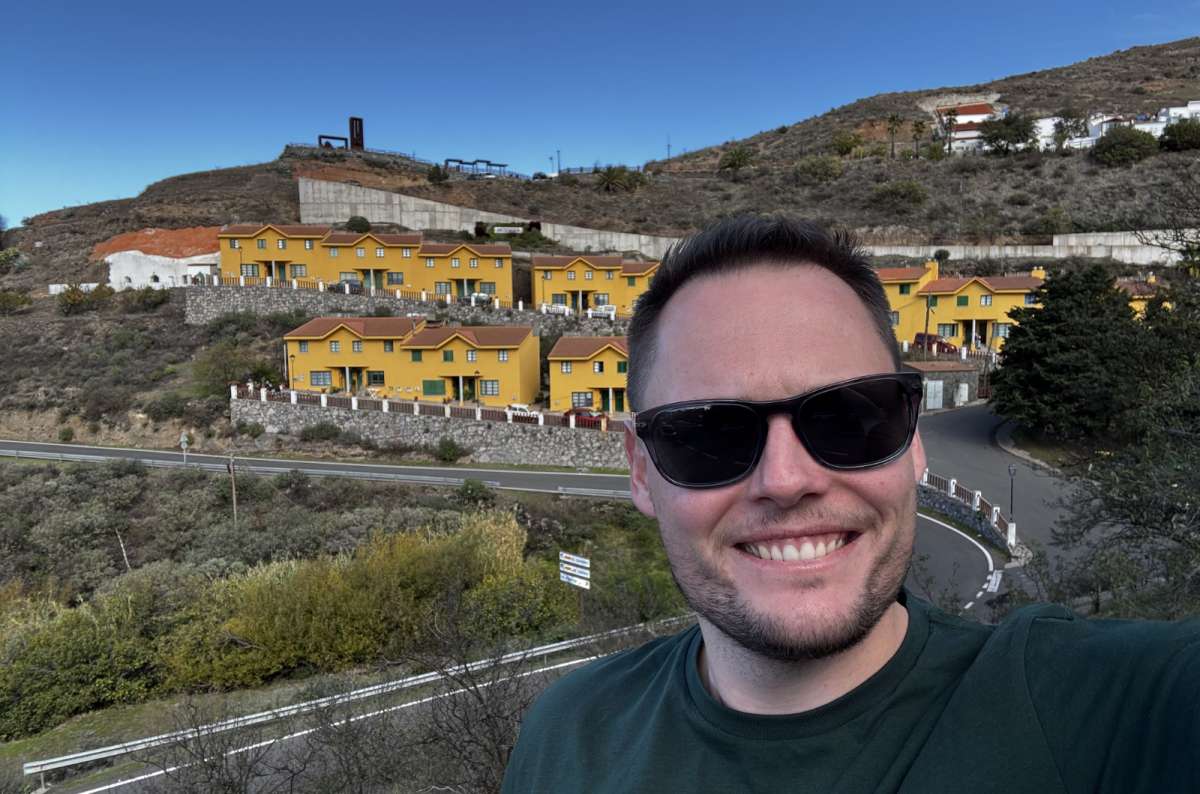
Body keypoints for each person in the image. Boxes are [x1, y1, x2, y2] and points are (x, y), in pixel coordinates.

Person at [501, 216, 1199, 793]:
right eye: (710, 435)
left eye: (848, 418)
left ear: (914, 443)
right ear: (641, 472)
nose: (786, 479)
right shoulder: (569, 736)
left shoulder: (1089, 710)